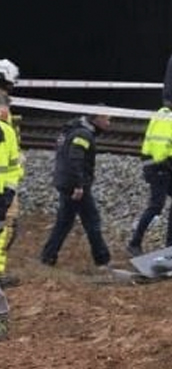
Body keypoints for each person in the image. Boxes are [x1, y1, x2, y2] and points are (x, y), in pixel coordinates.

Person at [39, 111, 114, 273]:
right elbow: (75, 159)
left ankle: (48, 257)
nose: (109, 123)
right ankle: (103, 260)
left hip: (66, 182)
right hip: (75, 185)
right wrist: (79, 185)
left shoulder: (73, 130)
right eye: (107, 119)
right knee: (92, 221)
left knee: (64, 222)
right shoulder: (83, 134)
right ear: (96, 119)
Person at [128, 90, 172, 255]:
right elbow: (160, 146)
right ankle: (134, 243)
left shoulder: (171, 116)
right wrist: (169, 165)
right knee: (156, 206)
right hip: (160, 166)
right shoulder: (167, 117)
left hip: (167, 166)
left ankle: (171, 239)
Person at [0, 88, 22, 288]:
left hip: (4, 193)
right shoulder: (5, 131)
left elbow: (13, 165)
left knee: (5, 230)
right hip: (3, 193)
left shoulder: (7, 130)